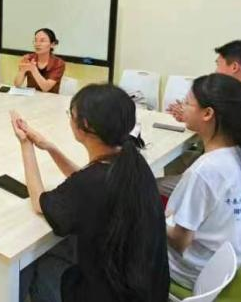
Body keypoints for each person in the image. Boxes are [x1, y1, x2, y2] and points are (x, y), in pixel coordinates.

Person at [10, 84, 169, 302]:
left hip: (111, 294)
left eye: (71, 114)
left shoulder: (89, 184)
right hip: (147, 288)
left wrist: (25, 144)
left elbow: (39, 202)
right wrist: (50, 148)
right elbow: (86, 180)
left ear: (84, 125)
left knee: (34, 263)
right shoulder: (133, 161)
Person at [166, 73, 241, 289]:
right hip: (228, 264)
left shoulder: (205, 171)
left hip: (193, 272)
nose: (182, 107)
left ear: (208, 113)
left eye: (187, 103)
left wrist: (153, 218)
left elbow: (180, 242)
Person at [165, 41, 241, 202]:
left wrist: (192, 116)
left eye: (218, 64)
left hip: (229, 186)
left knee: (152, 183)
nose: (215, 71)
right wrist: (191, 115)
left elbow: (218, 142)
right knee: (177, 161)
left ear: (234, 67)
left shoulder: (235, 103)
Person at [14, 28, 66, 94]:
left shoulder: (59, 63)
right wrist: (22, 70)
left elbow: (46, 88)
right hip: (31, 97)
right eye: (35, 40)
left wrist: (33, 70)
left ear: (52, 44)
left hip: (50, 98)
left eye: (42, 41)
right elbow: (17, 85)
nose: (37, 44)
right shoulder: (29, 58)